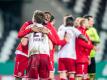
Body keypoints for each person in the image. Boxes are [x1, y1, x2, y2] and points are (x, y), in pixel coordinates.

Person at [84, 15, 100, 80]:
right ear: (87, 21)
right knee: (83, 75)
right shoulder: (82, 29)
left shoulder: (93, 29)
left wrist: (89, 40)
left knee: (92, 75)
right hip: (83, 56)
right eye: (91, 21)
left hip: (92, 55)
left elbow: (98, 40)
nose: (93, 22)